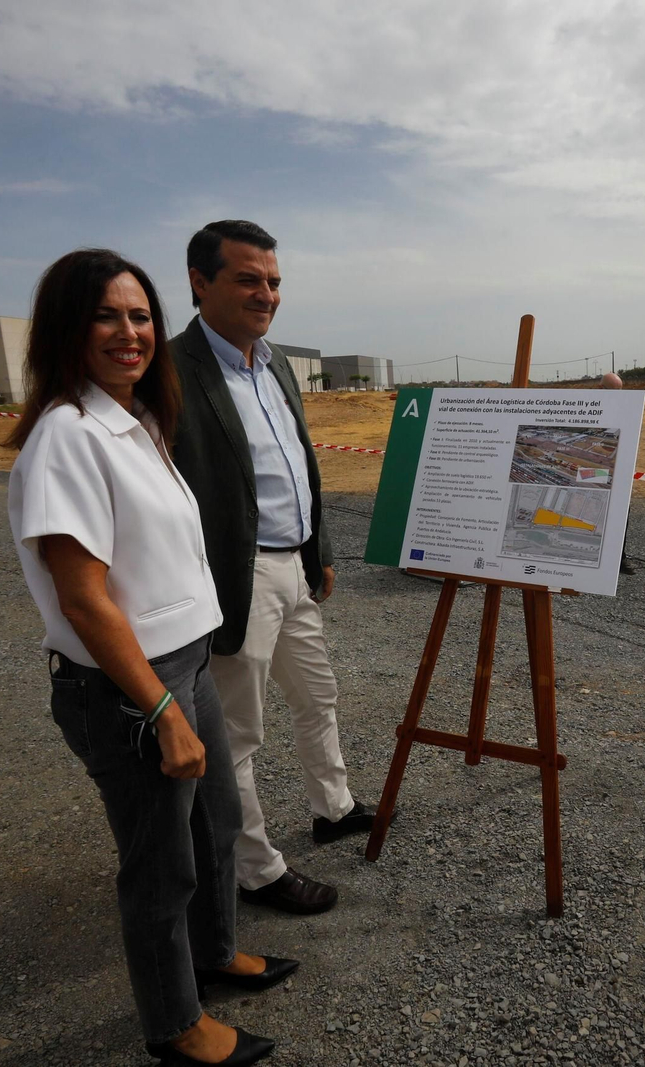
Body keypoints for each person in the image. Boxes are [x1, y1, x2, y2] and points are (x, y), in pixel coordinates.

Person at [6, 248, 293, 1066]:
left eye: (141, 316)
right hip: (130, 686)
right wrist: (162, 710)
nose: (130, 332)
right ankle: (175, 1024)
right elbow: (84, 598)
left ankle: (213, 955)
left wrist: (188, 682)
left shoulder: (136, 420)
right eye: (107, 315)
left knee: (216, 825)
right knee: (159, 864)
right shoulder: (69, 435)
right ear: (68, 327)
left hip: (188, 661)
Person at [169, 220, 374, 916]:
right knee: (237, 732)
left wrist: (320, 550)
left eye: (275, 281)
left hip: (295, 565)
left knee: (318, 694)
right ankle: (254, 867)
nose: (267, 293)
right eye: (249, 278)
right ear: (201, 283)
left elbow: (299, 463)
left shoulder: (275, 360)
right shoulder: (169, 371)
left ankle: (333, 805)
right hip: (235, 577)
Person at [600, 372, 636, 575]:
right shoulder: (586, 407)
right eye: (612, 391)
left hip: (617, 473)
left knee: (621, 514)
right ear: (600, 389)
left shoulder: (625, 409)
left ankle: (618, 559)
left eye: (619, 392)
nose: (617, 395)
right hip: (594, 472)